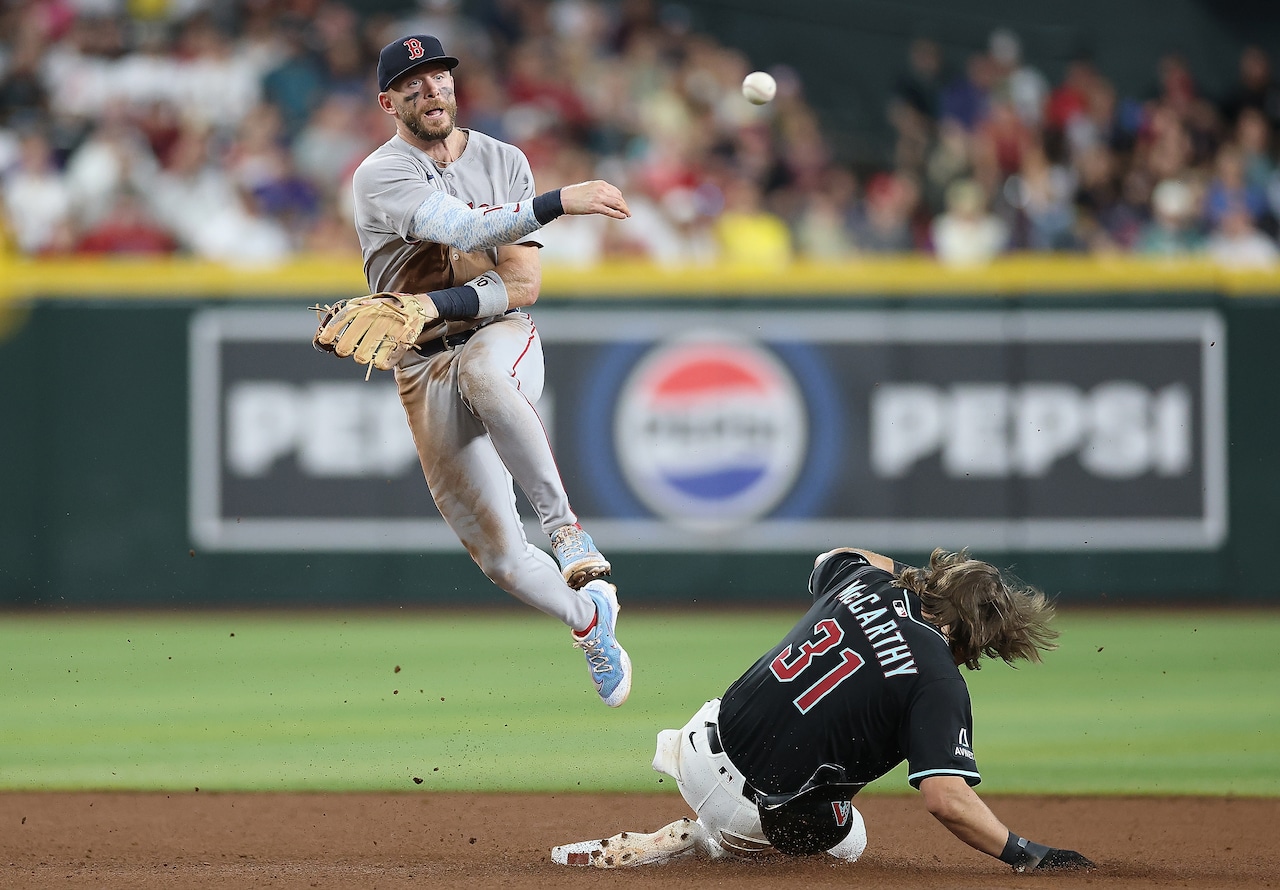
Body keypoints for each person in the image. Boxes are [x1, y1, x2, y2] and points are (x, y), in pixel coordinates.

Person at [343, 35, 634, 706]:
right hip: (422, 366)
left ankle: (566, 530)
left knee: (483, 373)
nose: (431, 90)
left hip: (499, 335)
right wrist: (562, 200)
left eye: (439, 76)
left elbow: (522, 286)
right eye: (412, 84)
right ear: (389, 103)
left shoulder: (504, 160)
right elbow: (464, 230)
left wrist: (433, 303)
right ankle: (589, 619)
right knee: (500, 557)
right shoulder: (380, 174)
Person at [552, 546, 1094, 871]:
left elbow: (828, 557)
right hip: (750, 811)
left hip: (697, 741)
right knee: (850, 843)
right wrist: (1027, 853)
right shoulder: (938, 681)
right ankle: (711, 844)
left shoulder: (868, 581)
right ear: (978, 635)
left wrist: (912, 578)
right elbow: (945, 799)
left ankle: (716, 829)